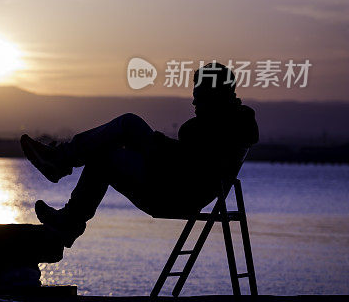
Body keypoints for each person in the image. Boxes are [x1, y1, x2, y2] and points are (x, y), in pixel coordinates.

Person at [20, 62, 259, 247]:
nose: (194, 101)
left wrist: (157, 143)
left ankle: (60, 164)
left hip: (173, 193)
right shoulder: (233, 124)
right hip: (175, 185)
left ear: (214, 95)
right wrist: (158, 144)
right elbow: (192, 160)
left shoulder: (214, 127)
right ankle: (68, 216)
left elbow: (189, 164)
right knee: (104, 155)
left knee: (128, 124)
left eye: (199, 95)